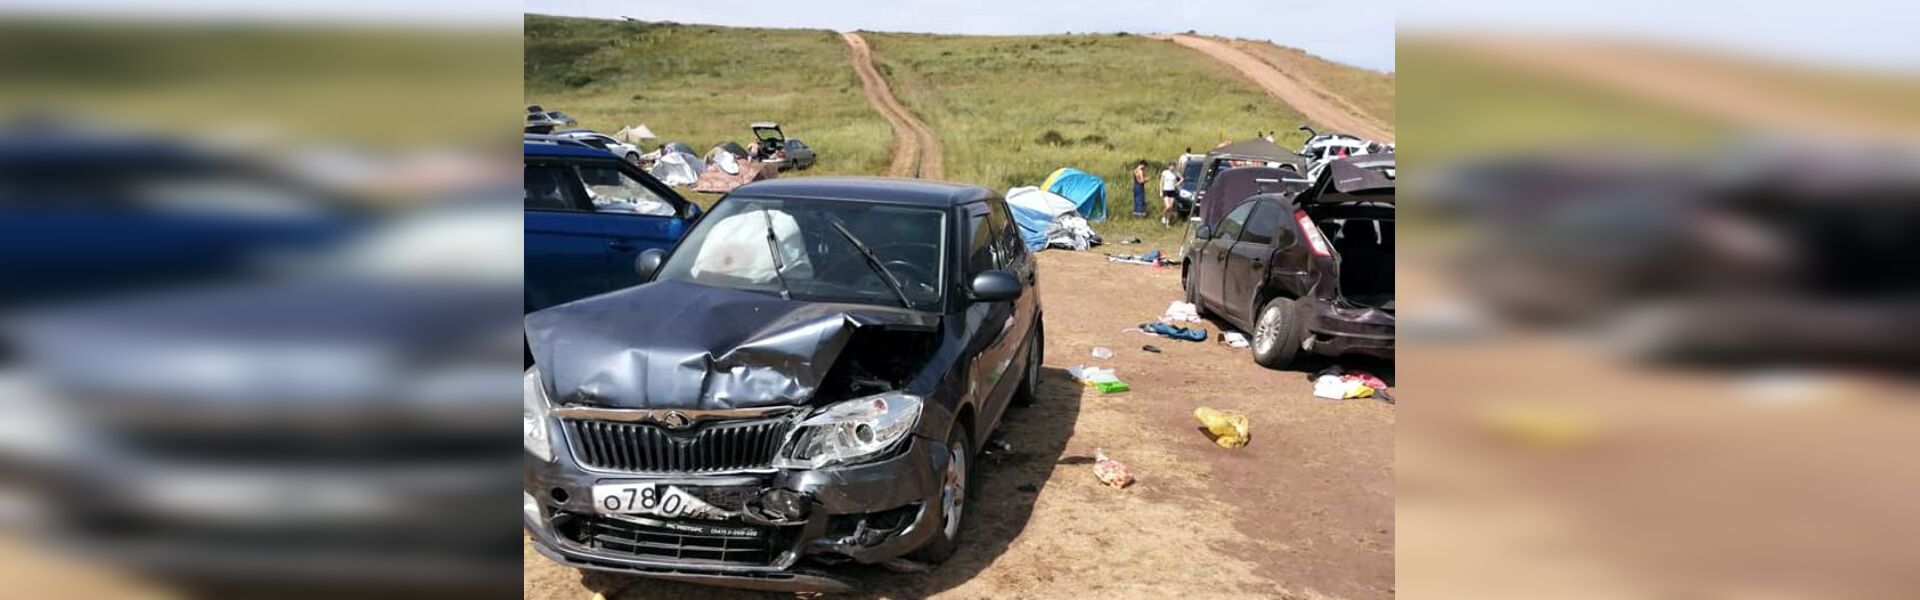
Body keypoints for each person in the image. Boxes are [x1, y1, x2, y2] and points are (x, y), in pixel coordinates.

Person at [1159, 161, 1180, 226]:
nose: (1172, 167)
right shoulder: (1165, 172)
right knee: (1167, 206)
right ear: (1168, 166)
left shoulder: (1176, 173)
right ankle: (1163, 217)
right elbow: (1161, 182)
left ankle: (1168, 222)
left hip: (1172, 191)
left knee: (1171, 208)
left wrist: (1177, 184)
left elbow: (1182, 179)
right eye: (1171, 166)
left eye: (1173, 166)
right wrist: (1160, 191)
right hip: (1166, 190)